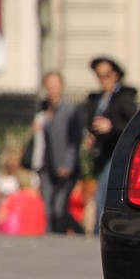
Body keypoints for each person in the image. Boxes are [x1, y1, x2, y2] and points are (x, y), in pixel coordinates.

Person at [83, 56, 138, 235]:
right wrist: (91, 135)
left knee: (103, 193)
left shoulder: (124, 97)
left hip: (117, 152)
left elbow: (133, 123)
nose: (103, 80)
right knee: (100, 192)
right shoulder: (96, 99)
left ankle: (102, 232)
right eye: (99, 76)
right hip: (100, 153)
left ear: (115, 75)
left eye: (106, 75)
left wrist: (111, 126)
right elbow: (89, 122)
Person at [34, 70, 86, 234]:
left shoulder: (70, 110)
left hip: (65, 166)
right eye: (49, 86)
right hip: (46, 164)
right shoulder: (41, 110)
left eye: (55, 86)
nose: (52, 90)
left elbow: (75, 140)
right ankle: (51, 236)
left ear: (61, 87)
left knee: (59, 206)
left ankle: (77, 232)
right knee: (48, 206)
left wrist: (68, 163)